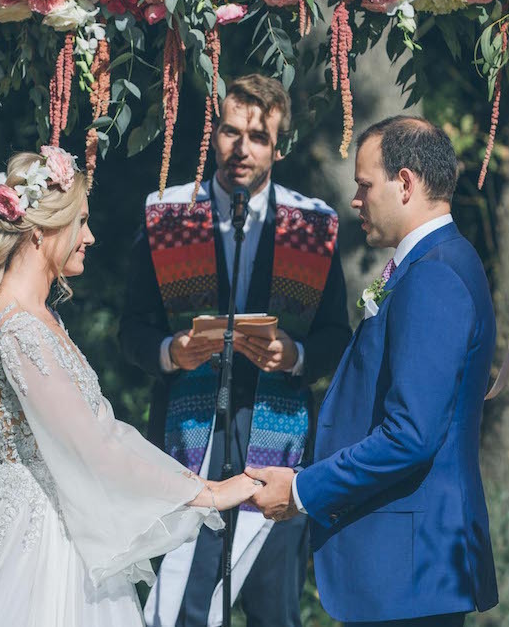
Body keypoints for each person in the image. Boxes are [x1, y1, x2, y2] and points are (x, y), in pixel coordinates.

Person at [0, 148, 261, 627]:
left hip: (41, 522)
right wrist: (206, 493)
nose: (90, 237)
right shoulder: (20, 329)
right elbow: (92, 447)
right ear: (39, 230)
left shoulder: (34, 318)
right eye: (80, 222)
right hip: (44, 543)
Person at [118, 74, 351, 627]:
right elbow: (131, 328)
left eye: (258, 137)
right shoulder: (170, 214)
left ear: (279, 146)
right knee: (183, 610)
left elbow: (336, 336)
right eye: (229, 131)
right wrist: (171, 351)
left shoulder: (310, 226)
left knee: (274, 612)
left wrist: (292, 356)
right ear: (214, 133)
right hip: (188, 440)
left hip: (279, 442)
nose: (241, 149)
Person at [248, 116, 499, 627]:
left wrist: (301, 492)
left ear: (404, 183)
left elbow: (410, 435)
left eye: (365, 185)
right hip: (406, 571)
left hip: (410, 573)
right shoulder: (433, 263)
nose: (356, 200)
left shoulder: (434, 276)